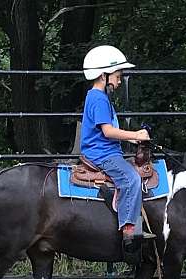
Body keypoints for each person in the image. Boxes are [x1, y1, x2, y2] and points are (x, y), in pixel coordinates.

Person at [80, 45, 155, 264]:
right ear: (104, 75)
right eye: (118, 76)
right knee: (131, 178)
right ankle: (129, 231)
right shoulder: (99, 99)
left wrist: (132, 139)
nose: (120, 81)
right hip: (102, 154)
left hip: (104, 149)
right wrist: (135, 134)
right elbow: (107, 131)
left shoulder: (97, 97)